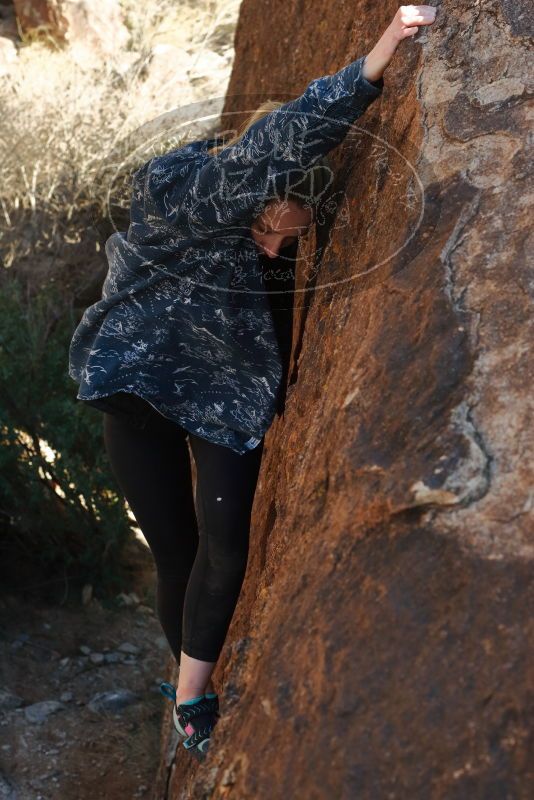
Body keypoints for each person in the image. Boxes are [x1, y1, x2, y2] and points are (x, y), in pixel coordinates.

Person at [68, 5, 438, 757]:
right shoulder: (191, 192)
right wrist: (386, 46)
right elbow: (279, 142)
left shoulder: (274, 223)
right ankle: (184, 692)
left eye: (289, 238)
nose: (273, 248)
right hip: (140, 387)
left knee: (226, 547)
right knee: (174, 550)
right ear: (251, 190)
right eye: (269, 226)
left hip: (222, 396)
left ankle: (192, 693)